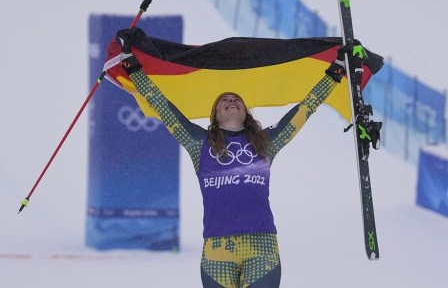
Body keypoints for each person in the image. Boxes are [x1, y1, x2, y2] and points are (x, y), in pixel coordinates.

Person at [117, 28, 360, 288]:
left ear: (246, 112)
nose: (231, 100)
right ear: (215, 115)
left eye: (237, 100)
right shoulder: (199, 143)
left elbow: (305, 108)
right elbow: (163, 108)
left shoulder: (266, 143)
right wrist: (133, 69)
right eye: (225, 100)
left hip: (262, 248)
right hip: (216, 251)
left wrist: (335, 72)